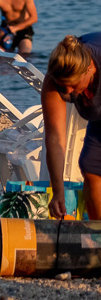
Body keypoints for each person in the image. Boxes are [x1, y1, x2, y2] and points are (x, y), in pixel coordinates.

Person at [39, 35, 101, 219]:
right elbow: (55, 138)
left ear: (89, 70)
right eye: (62, 86)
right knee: (90, 165)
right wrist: (57, 192)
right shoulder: (55, 80)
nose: (67, 92)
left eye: (73, 85)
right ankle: (98, 232)